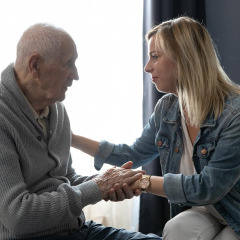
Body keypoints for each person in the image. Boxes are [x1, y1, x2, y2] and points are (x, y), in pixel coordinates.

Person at [71, 16, 240, 240]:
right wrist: (70, 138)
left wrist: (140, 181)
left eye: (155, 57)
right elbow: (132, 154)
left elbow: (208, 187)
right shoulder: (167, 108)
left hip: (234, 211)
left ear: (184, 57)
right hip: (208, 209)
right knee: (177, 228)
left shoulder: (234, 114)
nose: (147, 67)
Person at [0, 23, 162, 240]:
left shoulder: (56, 107)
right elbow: (18, 217)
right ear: (35, 65)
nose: (75, 75)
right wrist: (98, 187)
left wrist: (107, 182)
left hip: (77, 230)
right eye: (69, 64)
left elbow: (65, 179)